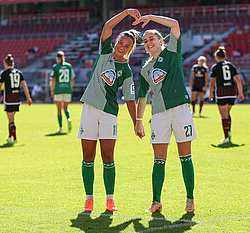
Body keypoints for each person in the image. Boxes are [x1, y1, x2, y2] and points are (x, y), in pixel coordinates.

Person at [77, 9, 140, 212]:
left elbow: (130, 99)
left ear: (131, 49)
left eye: (126, 46)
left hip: (109, 115)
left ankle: (110, 199)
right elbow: (107, 27)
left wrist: (136, 122)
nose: (122, 47)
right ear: (116, 42)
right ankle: (89, 198)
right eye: (120, 42)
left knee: (107, 156)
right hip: (89, 110)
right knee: (88, 156)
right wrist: (127, 12)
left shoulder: (127, 71)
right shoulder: (104, 52)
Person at [134, 14, 196, 213]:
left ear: (161, 40)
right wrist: (138, 121)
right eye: (145, 41)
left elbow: (176, 24)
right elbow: (142, 96)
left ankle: (190, 198)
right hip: (159, 114)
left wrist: (150, 17)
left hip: (181, 110)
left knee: (185, 156)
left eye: (152, 38)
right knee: (158, 159)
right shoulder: (145, 69)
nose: (148, 42)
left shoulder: (172, 52)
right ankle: (156, 201)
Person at [0, 54, 32, 143]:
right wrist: (28, 97)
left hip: (9, 99)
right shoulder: (19, 72)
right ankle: (10, 136)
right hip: (17, 98)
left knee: (11, 119)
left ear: (5, 64)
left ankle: (14, 138)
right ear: (13, 64)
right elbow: (24, 85)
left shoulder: (4, 73)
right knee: (11, 118)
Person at [209, 46, 244, 143]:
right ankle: (228, 132)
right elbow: (238, 80)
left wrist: (211, 93)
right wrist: (240, 93)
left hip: (222, 92)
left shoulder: (215, 67)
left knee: (223, 115)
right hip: (232, 91)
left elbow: (212, 83)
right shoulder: (231, 65)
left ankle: (226, 137)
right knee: (227, 113)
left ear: (217, 57)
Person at [50, 51, 75, 132]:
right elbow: (72, 79)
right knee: (65, 108)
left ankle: (60, 127)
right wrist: (69, 88)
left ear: (57, 58)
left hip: (58, 89)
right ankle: (68, 118)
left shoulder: (55, 66)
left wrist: (52, 90)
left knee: (59, 109)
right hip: (67, 89)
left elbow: (53, 80)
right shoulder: (69, 66)